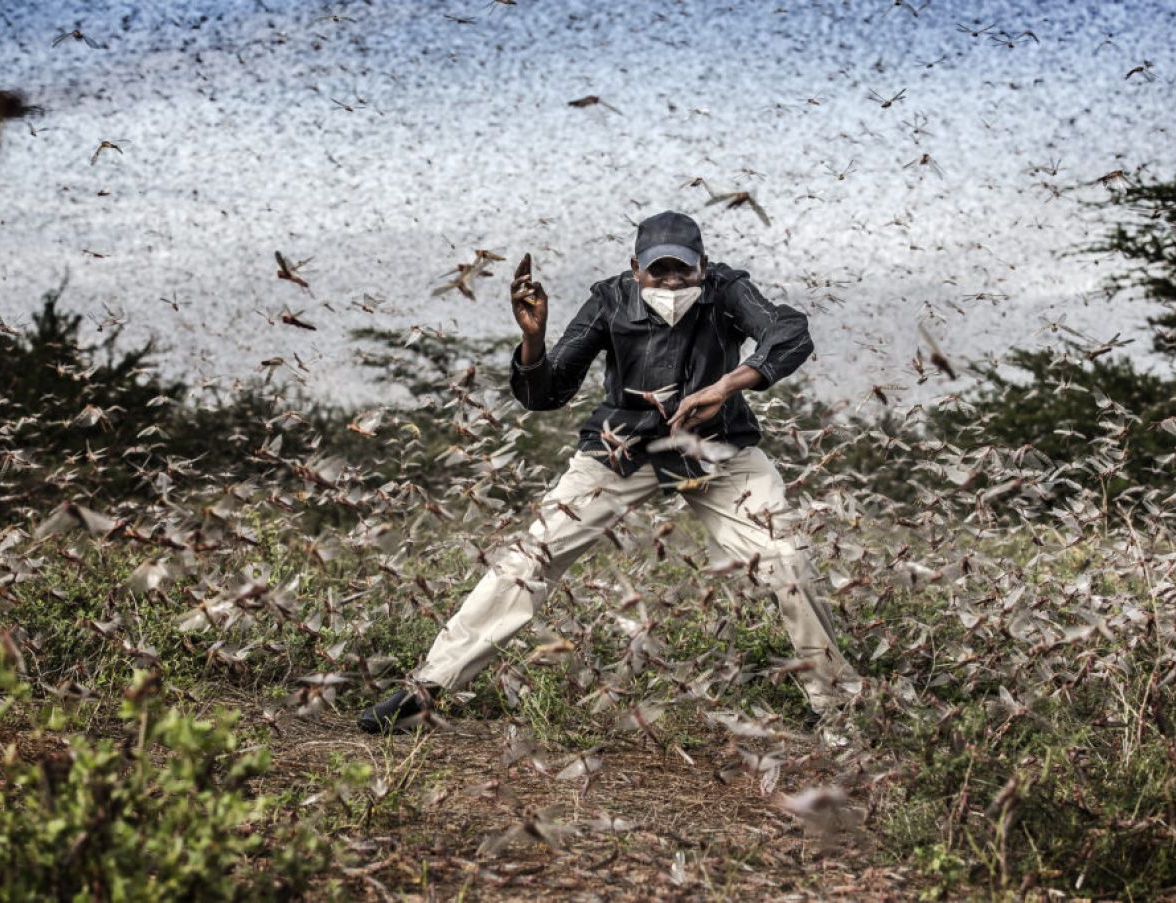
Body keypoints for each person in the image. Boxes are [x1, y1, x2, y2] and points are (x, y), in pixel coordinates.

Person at [359, 210, 860, 733]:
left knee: (786, 557)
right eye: (657, 271)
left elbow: (789, 330)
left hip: (718, 446)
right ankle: (427, 689)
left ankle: (837, 710)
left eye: (682, 271)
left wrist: (725, 387)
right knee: (531, 558)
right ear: (635, 268)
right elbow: (546, 393)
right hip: (623, 448)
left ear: (703, 267)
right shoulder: (608, 300)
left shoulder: (727, 290)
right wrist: (533, 340)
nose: (670, 282)